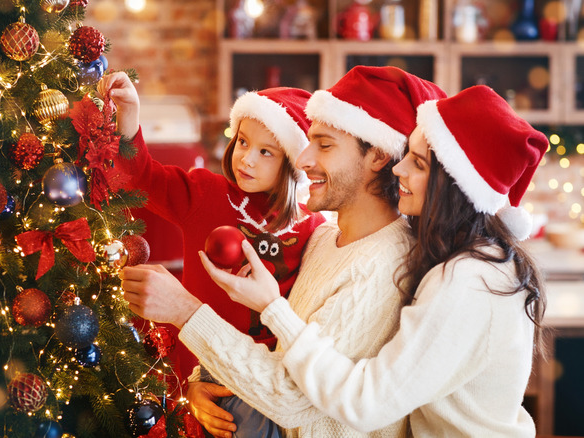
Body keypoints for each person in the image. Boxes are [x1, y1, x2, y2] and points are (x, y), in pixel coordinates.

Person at [194, 85, 548, 436]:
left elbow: (366, 402)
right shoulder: (448, 259)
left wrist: (264, 307)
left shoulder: (467, 280)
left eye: (419, 163)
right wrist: (202, 379)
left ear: (454, 185)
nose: (399, 168)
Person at [120, 66, 447, 437]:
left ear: (378, 157)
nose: (303, 160)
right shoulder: (325, 238)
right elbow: (276, 358)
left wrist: (185, 311)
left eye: (323, 145)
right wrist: (202, 383)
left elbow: (289, 398)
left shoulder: (379, 265)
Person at [98, 73, 326, 436]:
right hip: (198, 371)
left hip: (264, 382)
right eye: (243, 142)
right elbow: (143, 178)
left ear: (293, 164)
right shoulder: (206, 193)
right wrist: (130, 121)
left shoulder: (312, 228)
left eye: (265, 152)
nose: (246, 159)